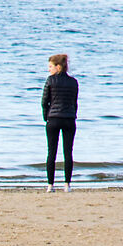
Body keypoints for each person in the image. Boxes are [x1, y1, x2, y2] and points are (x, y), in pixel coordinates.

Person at [41, 53, 79, 192]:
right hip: (69, 119)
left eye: (50, 66)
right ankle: (67, 185)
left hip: (54, 119)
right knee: (68, 153)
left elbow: (44, 102)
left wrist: (46, 117)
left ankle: (50, 185)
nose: (49, 69)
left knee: (52, 152)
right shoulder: (73, 82)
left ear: (58, 67)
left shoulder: (50, 81)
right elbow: (75, 103)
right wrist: (73, 115)